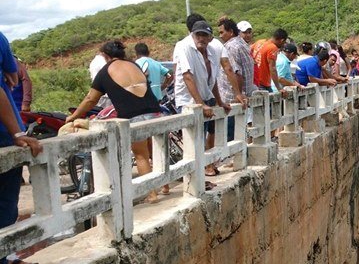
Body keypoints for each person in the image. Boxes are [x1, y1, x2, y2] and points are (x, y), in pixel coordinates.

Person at [65, 40, 165, 203]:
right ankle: (166, 186)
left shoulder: (105, 72)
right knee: (155, 152)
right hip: (155, 111)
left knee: (141, 157)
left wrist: (74, 116)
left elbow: (91, 99)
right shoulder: (134, 65)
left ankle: (152, 194)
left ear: (105, 56)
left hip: (134, 115)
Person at [0, 31, 42, 264]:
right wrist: (16, 131)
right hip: (2, 134)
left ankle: (2, 260)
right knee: (5, 204)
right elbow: (12, 74)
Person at [173, 20, 231, 185]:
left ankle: (200, 177)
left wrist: (220, 102)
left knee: (199, 142)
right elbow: (187, 76)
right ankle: (195, 182)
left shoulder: (212, 51)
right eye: (198, 35)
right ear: (192, 35)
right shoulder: (184, 47)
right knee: (193, 142)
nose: (201, 38)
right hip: (188, 102)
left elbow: (211, 81)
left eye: (205, 35)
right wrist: (201, 104)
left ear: (210, 38)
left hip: (204, 99)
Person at [217, 17, 254, 140]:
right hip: (242, 95)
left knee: (231, 136)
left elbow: (236, 72)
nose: (220, 36)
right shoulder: (242, 44)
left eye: (222, 32)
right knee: (239, 134)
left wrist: (238, 93)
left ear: (231, 32)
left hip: (232, 98)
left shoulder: (231, 47)